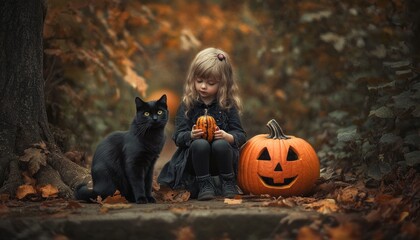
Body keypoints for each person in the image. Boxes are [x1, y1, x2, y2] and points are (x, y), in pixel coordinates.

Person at [158, 47, 247, 201]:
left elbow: (240, 135)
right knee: (200, 144)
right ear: (193, 79)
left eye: (210, 83)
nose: (203, 86)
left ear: (223, 84)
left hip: (221, 160)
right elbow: (178, 136)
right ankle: (204, 184)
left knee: (220, 144)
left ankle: (228, 182)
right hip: (196, 161)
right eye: (199, 81)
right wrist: (190, 135)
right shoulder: (188, 105)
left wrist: (228, 137)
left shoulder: (227, 105)